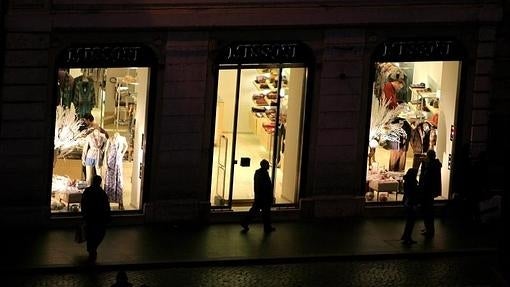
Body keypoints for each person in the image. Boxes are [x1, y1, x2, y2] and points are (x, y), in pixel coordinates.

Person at [81, 175, 111, 262]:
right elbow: (106, 206)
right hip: (99, 218)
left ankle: (91, 249)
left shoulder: (88, 191)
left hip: (91, 217)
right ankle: (93, 248)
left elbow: (83, 203)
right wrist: (107, 216)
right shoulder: (101, 193)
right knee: (99, 233)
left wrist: (84, 215)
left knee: (91, 234)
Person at [241, 159, 275, 233]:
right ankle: (267, 227)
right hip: (263, 197)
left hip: (260, 197)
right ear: (264, 165)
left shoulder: (259, 172)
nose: (268, 166)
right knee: (265, 213)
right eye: (267, 164)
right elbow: (265, 186)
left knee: (255, 211)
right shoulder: (263, 173)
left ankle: (245, 222)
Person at [418, 150, 442, 238]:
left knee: (427, 210)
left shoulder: (431, 166)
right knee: (428, 210)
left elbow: (425, 178)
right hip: (430, 190)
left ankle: (429, 229)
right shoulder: (435, 165)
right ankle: (428, 228)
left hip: (427, 190)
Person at [401, 168, 419, 245]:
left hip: (408, 203)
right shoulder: (412, 183)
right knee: (410, 222)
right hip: (411, 203)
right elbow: (412, 194)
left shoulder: (407, 182)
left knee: (409, 222)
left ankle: (406, 237)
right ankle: (407, 237)